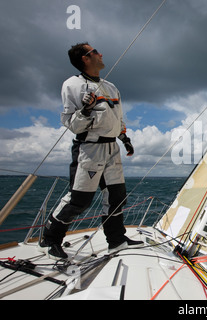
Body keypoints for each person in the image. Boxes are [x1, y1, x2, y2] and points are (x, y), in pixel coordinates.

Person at [39, 42, 143, 260]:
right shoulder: (72, 85)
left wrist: (125, 138)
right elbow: (72, 124)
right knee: (80, 200)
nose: (101, 53)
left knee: (116, 196)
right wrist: (86, 110)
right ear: (85, 58)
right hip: (89, 148)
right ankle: (49, 239)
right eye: (95, 51)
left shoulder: (112, 87)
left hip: (112, 148)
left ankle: (116, 241)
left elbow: (118, 118)